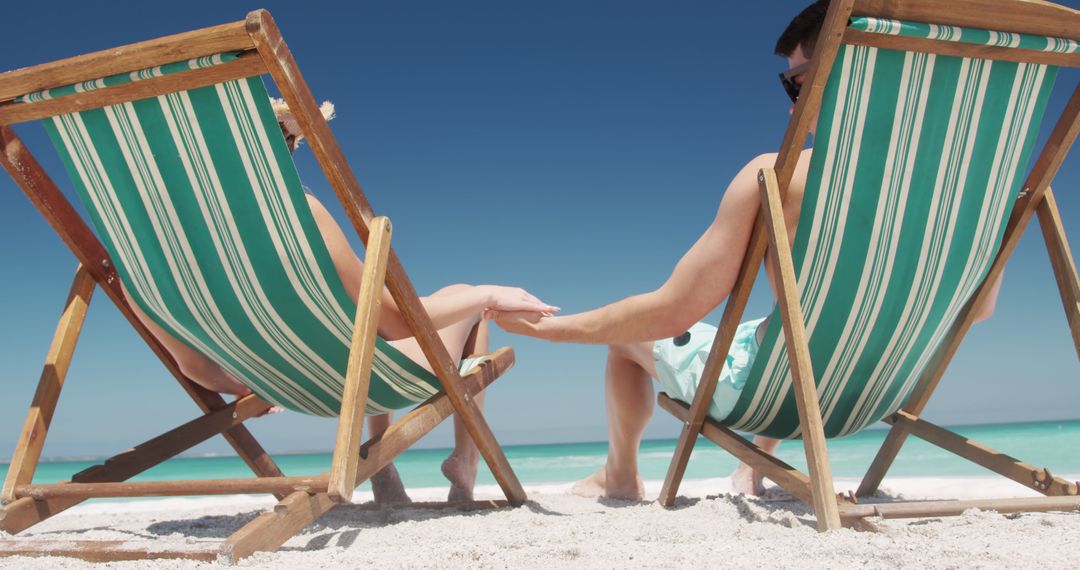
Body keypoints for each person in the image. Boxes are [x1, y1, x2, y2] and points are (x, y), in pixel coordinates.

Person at [493, 0, 1003, 500]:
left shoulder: (778, 176)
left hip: (781, 401)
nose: (791, 103)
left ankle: (620, 475)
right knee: (782, 330)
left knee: (630, 343)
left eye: (798, 82)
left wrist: (551, 330)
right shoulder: (983, 186)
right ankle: (749, 468)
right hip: (877, 397)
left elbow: (672, 313)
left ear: (852, 70)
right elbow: (978, 311)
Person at [122, 97, 558, 505]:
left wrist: (245, 386)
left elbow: (194, 367)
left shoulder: (133, 254)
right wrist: (490, 293)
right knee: (466, 299)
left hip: (285, 385)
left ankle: (387, 473)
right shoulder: (297, 214)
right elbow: (394, 321)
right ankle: (464, 465)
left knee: (415, 312)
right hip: (352, 384)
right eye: (288, 144)